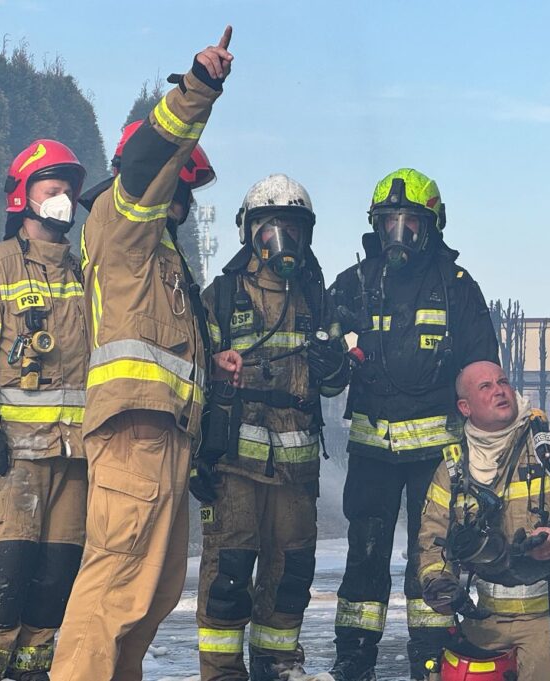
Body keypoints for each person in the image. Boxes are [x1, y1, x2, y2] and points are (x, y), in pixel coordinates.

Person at [50, 28, 242, 681]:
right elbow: (146, 160)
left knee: (150, 596)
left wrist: (211, 367)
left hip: (164, 436)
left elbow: (159, 341)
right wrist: (199, 89)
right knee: (114, 589)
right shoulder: (122, 218)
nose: (184, 203)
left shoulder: (157, 255)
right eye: (183, 187)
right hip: (135, 431)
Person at [325, 168, 500, 680]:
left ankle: (431, 656)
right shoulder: (354, 284)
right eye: (389, 222)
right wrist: (331, 355)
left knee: (434, 556)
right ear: (376, 226)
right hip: (372, 452)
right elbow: (321, 355)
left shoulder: (457, 289)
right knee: (365, 554)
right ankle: (354, 659)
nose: (397, 233)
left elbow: (482, 368)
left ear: (432, 226)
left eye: (410, 223)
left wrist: (488, 445)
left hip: (438, 459)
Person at [191, 174, 350, 680]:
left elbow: (332, 386)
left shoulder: (315, 300)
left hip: (296, 472)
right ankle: (222, 671)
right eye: (271, 226)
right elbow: (195, 375)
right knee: (230, 571)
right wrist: (198, 456)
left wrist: (333, 365)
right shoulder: (221, 296)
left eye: (292, 228)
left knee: (291, 574)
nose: (283, 238)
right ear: (250, 232)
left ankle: (278, 663)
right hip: (235, 465)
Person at [0, 140, 89, 681]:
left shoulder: (83, 274)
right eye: (52, 188)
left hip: (74, 456)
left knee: (55, 577)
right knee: (5, 575)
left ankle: (32, 672)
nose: (63, 199)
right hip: (14, 454)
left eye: (69, 191)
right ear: (23, 196)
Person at [417, 361, 550, 680]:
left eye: (502, 381)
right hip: (488, 613)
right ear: (465, 407)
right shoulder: (453, 468)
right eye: (486, 387)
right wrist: (439, 583)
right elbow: (432, 542)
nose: (499, 390)